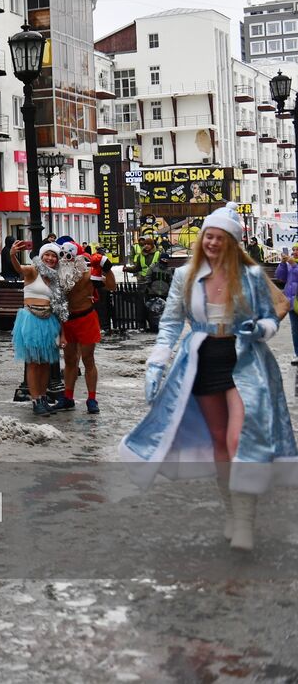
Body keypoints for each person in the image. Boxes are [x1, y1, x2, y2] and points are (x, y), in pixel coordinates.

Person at [121, 204, 295, 551]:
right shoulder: (186, 275)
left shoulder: (250, 275)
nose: (213, 242)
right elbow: (171, 323)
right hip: (203, 361)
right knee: (219, 441)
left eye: (220, 237)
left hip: (245, 358)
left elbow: (271, 317)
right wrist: (157, 362)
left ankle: (245, 521)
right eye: (209, 236)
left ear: (232, 242)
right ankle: (232, 512)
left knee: (239, 440)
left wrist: (260, 328)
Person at [53, 237, 116, 414]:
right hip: (67, 320)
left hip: (86, 318)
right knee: (70, 360)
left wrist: (107, 268)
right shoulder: (59, 276)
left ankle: (92, 399)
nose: (67, 259)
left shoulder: (89, 275)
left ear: (79, 258)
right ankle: (68, 397)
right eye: (64, 256)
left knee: (88, 359)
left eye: (70, 256)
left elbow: (111, 286)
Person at [9, 241, 66, 416]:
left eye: (53, 256)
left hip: (49, 321)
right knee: (34, 363)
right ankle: (35, 400)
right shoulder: (33, 271)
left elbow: (61, 308)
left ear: (57, 259)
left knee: (46, 363)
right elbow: (19, 269)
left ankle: (42, 396)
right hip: (31, 319)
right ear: (41, 257)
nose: (49, 258)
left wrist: (63, 334)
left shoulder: (57, 278)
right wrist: (12, 254)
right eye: (46, 255)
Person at [276, 251, 298, 367]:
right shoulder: (290, 264)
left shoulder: (294, 265)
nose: (295, 252)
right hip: (293, 303)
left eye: (297, 250)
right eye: (294, 250)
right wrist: (283, 264)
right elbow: (280, 277)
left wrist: (294, 266)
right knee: (295, 330)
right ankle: (297, 353)